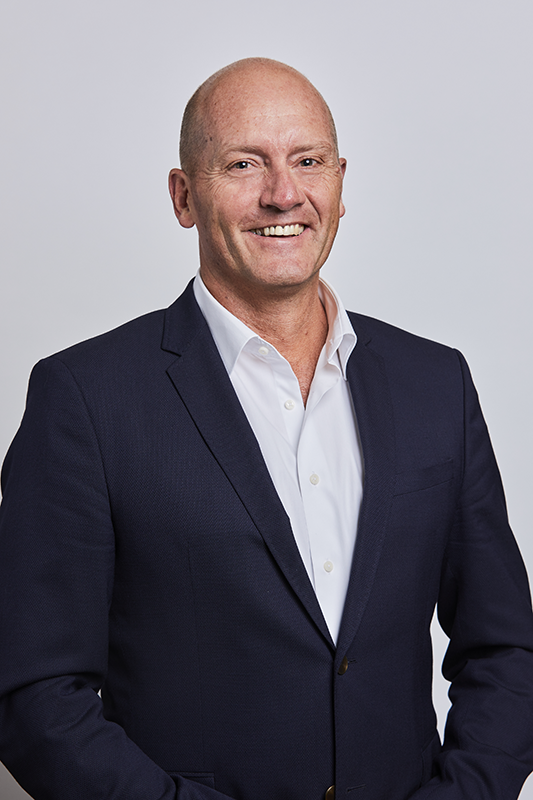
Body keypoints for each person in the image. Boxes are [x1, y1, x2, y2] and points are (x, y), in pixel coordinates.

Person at [0, 57, 532, 800]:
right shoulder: (85, 399)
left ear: (340, 184)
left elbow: (506, 651)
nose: (283, 193)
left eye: (307, 161)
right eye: (243, 163)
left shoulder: (435, 383)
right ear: (184, 196)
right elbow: (35, 695)